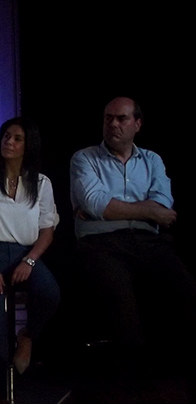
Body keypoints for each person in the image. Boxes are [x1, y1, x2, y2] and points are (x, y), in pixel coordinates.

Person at [70, 96, 196, 375]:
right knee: (120, 296)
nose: (113, 124)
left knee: (184, 287)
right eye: (108, 118)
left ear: (137, 124)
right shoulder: (84, 158)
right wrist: (147, 211)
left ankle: (178, 371)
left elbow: (164, 205)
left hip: (149, 241)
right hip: (101, 243)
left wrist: (110, 209)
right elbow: (96, 203)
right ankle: (134, 375)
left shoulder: (152, 160)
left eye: (121, 118)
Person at [0, 117, 60, 401]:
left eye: (17, 138)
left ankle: (28, 335)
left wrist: (29, 261)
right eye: (6, 136)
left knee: (50, 294)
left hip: (25, 253)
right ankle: (0, 396)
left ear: (28, 145)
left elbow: (47, 230)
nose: (9, 142)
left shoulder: (41, 183)